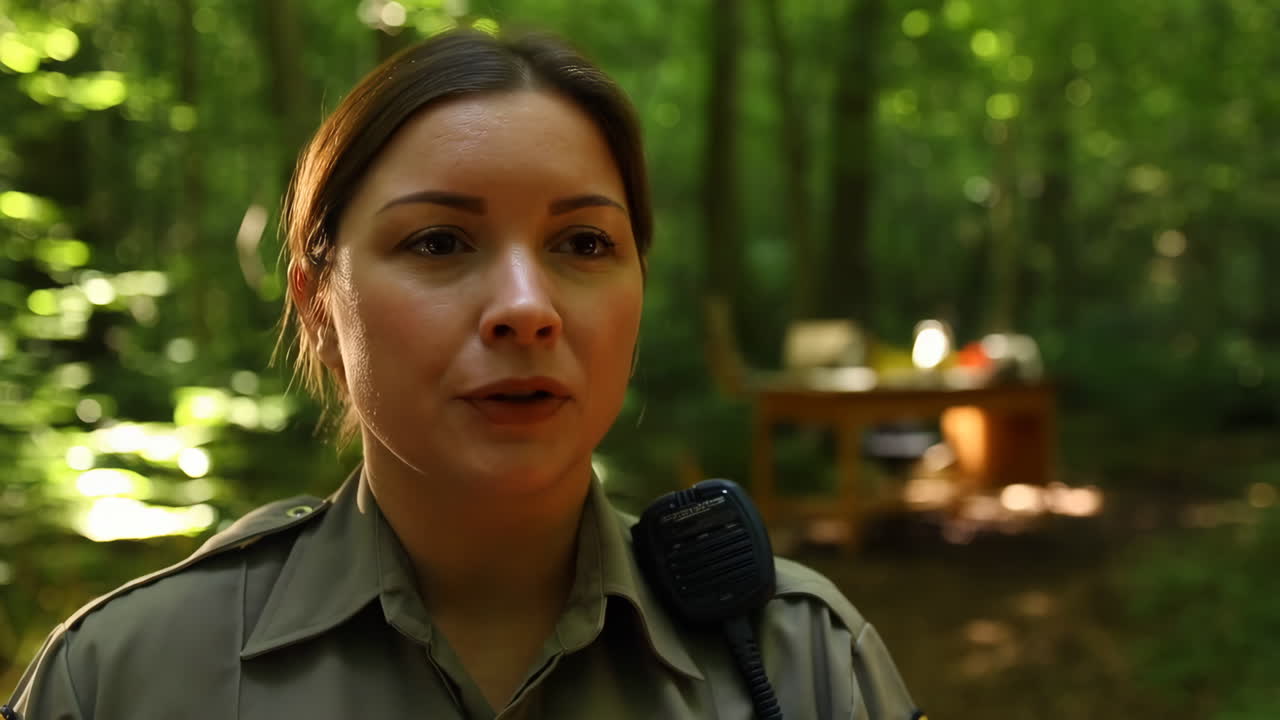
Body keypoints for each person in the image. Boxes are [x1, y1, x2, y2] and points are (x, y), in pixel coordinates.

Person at [4, 29, 923, 720]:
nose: (526, 307)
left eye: (583, 243)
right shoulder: (125, 679)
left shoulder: (801, 665)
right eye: (439, 242)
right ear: (319, 308)